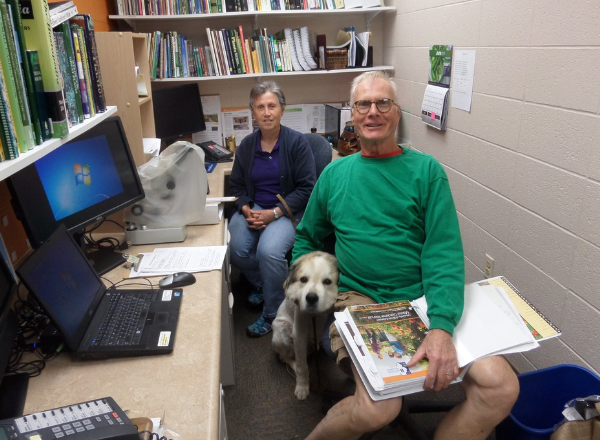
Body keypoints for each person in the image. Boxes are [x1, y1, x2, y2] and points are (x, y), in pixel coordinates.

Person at [292, 71, 519, 439]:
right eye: (363, 104)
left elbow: (444, 253)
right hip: (361, 300)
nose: (373, 112)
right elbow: (306, 239)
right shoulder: (335, 175)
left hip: (424, 300)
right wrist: (308, 284)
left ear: (397, 113)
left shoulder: (427, 172)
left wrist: (442, 326)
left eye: (384, 102)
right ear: (352, 114)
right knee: (378, 406)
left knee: (502, 386)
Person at [228, 81, 316, 338]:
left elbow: (306, 188)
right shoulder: (246, 146)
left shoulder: (296, 143)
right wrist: (245, 210)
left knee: (268, 251)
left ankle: (273, 314)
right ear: (253, 112)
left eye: (272, 106)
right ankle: (264, 285)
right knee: (232, 247)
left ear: (282, 109)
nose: (266, 112)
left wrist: (274, 213)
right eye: (260, 107)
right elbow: (236, 185)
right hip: (254, 208)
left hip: (286, 211)